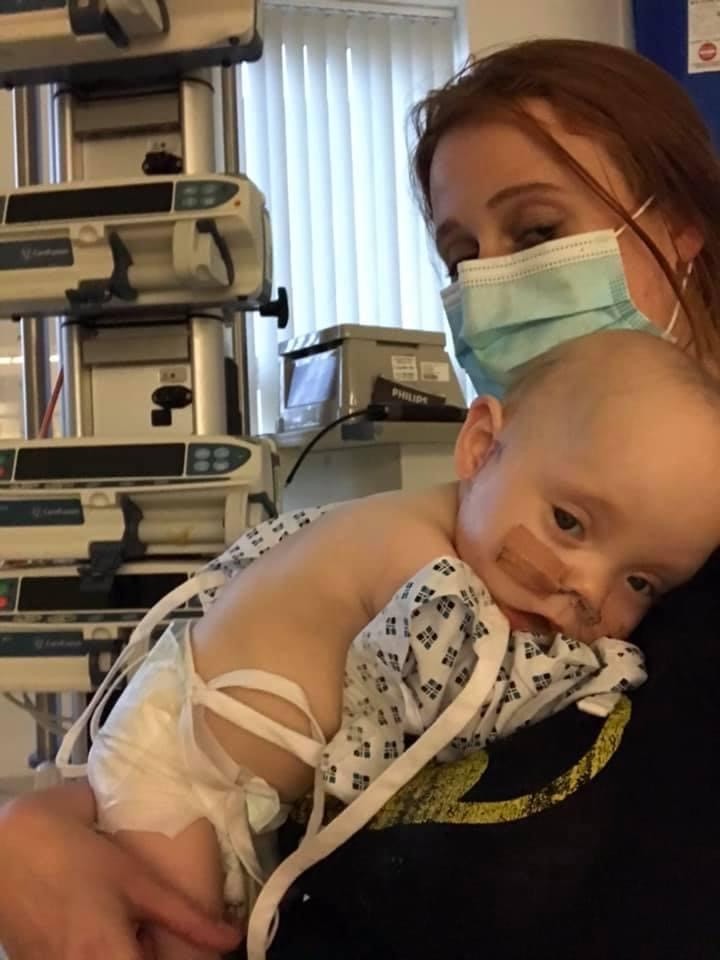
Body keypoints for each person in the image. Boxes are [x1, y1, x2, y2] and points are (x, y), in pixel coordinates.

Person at [2, 36, 720, 960]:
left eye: (537, 233)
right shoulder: (481, 519)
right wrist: (46, 830)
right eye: (460, 255)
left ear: (685, 234)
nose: (489, 286)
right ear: (485, 442)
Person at [58, 329, 712, 960]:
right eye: (568, 522)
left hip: (209, 768)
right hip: (175, 778)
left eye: (641, 581)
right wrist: (603, 664)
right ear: (481, 449)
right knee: (185, 937)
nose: (589, 594)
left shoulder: (424, 524)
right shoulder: (412, 558)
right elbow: (467, 701)